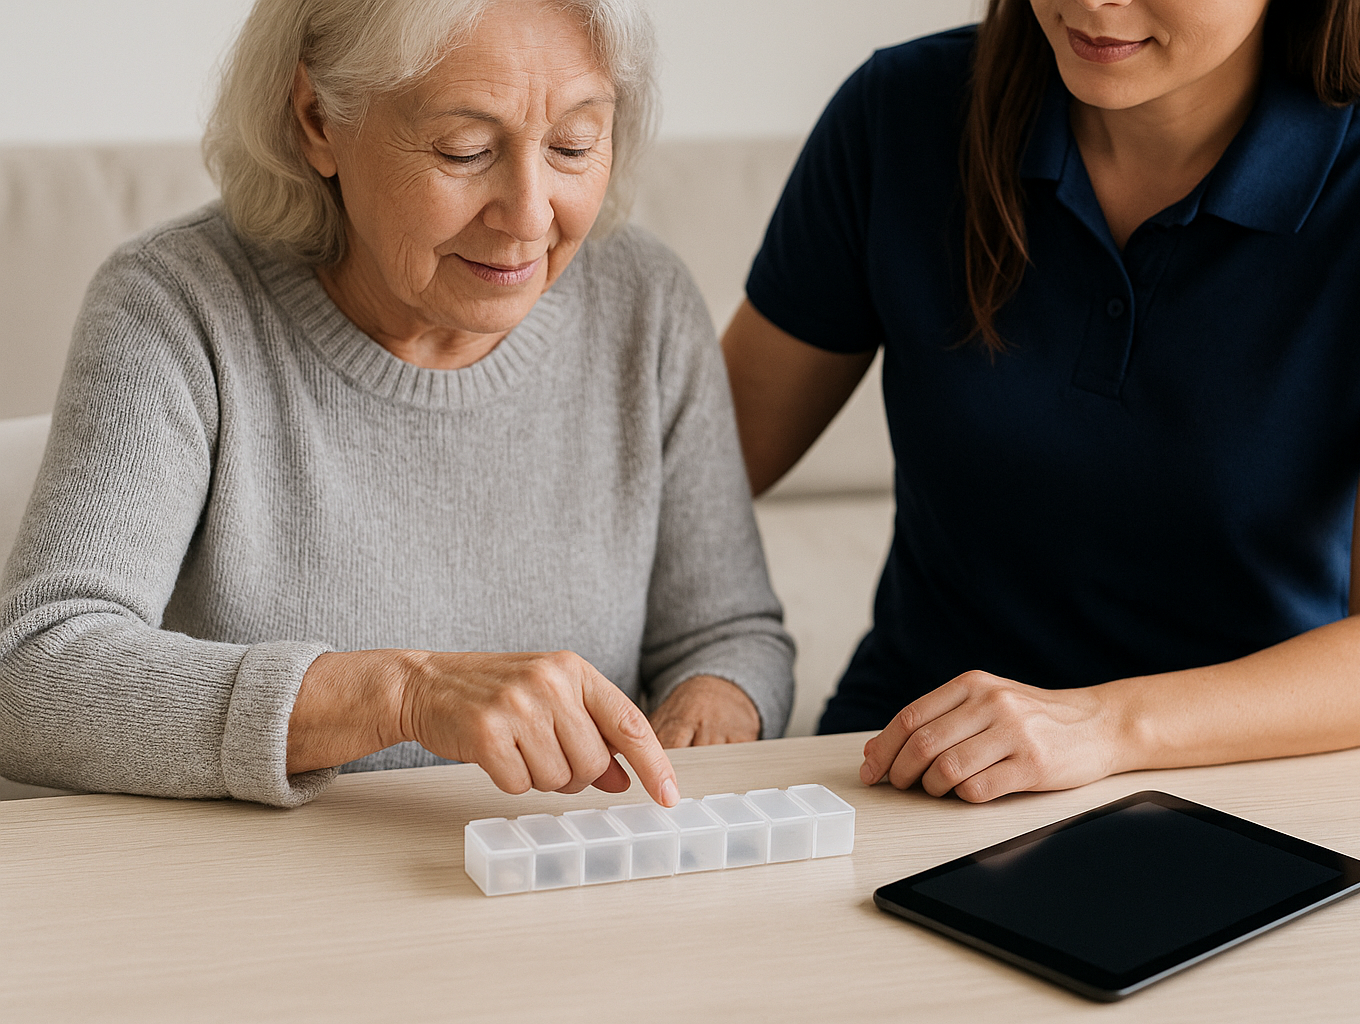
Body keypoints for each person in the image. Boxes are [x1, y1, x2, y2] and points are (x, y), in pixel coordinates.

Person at [723, 0, 1360, 802]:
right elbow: (690, 470)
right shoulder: (899, 111)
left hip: (1252, 782)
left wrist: (1103, 726)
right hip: (916, 764)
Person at [0, 0, 793, 808]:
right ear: (317, 119)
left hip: (555, 883)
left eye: (573, 145)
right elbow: (33, 672)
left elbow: (730, 635)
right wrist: (402, 695)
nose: (529, 213)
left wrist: (711, 709)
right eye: (466, 149)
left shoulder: (644, 303)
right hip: (269, 901)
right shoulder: (177, 307)